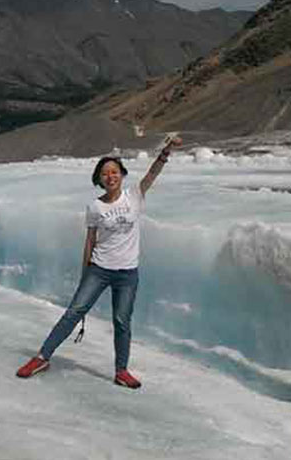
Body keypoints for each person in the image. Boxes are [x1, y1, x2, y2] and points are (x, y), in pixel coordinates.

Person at [16, 135, 183, 389]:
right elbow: (89, 241)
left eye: (114, 172)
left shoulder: (135, 196)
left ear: (122, 175)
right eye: (105, 173)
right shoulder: (95, 207)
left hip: (127, 273)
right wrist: (85, 272)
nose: (110, 176)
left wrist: (166, 151)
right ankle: (41, 357)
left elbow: (152, 174)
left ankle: (121, 371)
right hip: (99, 269)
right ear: (99, 179)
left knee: (122, 321)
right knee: (73, 313)